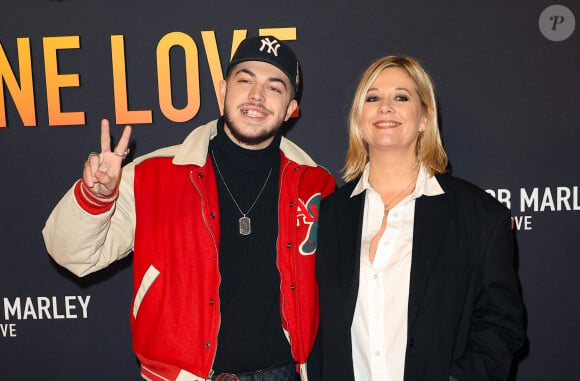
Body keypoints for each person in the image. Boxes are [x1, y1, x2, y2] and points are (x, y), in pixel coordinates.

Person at [43, 36, 335, 381]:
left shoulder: (316, 186)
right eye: (245, 80)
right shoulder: (152, 175)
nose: (257, 95)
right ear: (223, 91)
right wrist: (96, 197)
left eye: (274, 87)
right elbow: (71, 255)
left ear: (290, 109)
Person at [310, 55, 524, 381]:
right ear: (359, 118)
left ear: (425, 117)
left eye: (401, 97)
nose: (385, 107)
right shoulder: (328, 217)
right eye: (373, 97)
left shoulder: (479, 216)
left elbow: (501, 323)